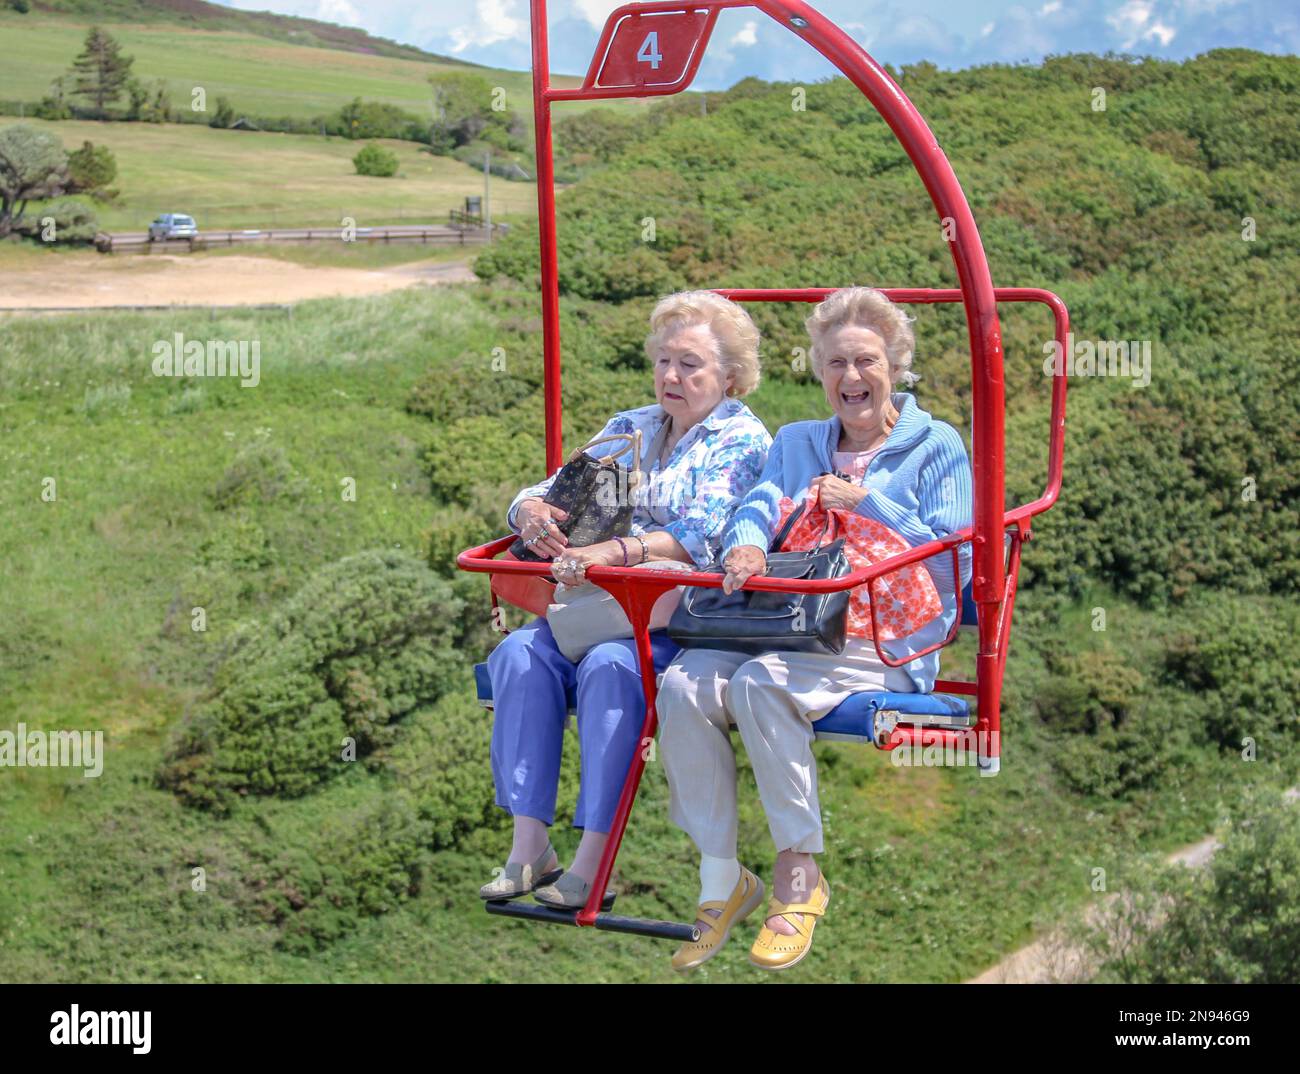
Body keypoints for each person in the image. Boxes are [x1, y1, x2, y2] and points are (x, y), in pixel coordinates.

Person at [657, 286, 973, 970]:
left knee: (761, 684)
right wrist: (746, 542)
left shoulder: (934, 445)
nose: (850, 379)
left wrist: (871, 506)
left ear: (896, 365)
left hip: (881, 637)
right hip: (793, 624)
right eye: (834, 364)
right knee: (682, 683)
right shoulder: (801, 441)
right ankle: (721, 878)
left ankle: (798, 878)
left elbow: (958, 554)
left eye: (864, 362)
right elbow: (760, 503)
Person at [481, 291, 772, 909]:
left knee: (612, 670)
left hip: (670, 614)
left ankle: (596, 860)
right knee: (516, 658)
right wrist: (530, 510)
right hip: (594, 604)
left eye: (690, 364)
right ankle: (529, 846)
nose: (672, 376)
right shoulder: (632, 429)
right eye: (664, 361)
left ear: (729, 375)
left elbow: (706, 533)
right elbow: (557, 487)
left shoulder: (739, 439)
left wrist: (619, 553)